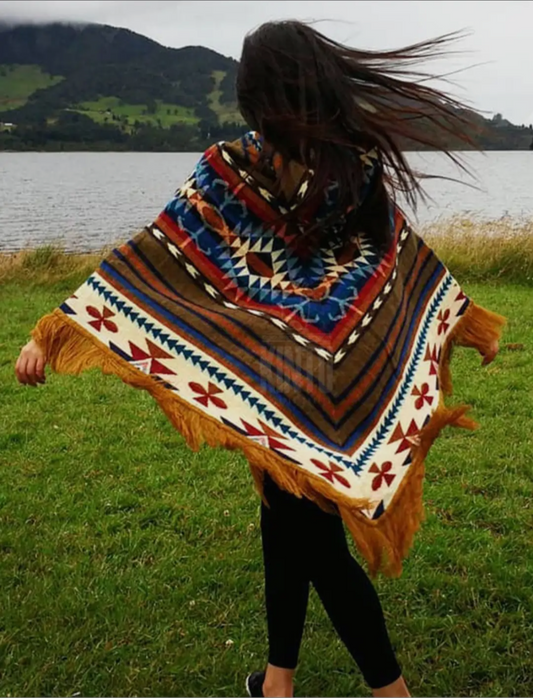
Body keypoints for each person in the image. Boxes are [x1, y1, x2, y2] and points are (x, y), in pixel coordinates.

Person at [16, 20, 504, 698]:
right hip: (329, 383)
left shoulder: (231, 168)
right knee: (286, 521)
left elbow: (157, 255)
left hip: (270, 380)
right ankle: (276, 681)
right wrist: (454, 316)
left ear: (255, 92)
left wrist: (52, 331)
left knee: (317, 547)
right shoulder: (354, 167)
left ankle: (391, 692)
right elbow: (399, 262)